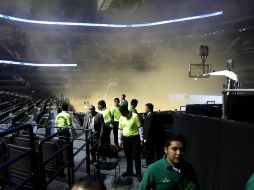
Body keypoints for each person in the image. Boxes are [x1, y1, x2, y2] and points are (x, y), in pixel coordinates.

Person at [119, 104, 142, 181]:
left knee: (136, 156)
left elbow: (140, 128)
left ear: (126, 111)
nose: (122, 115)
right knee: (128, 156)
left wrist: (141, 139)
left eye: (122, 113)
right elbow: (120, 129)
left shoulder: (135, 116)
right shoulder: (121, 117)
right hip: (125, 139)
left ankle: (138, 173)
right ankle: (129, 171)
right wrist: (120, 141)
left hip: (135, 139)